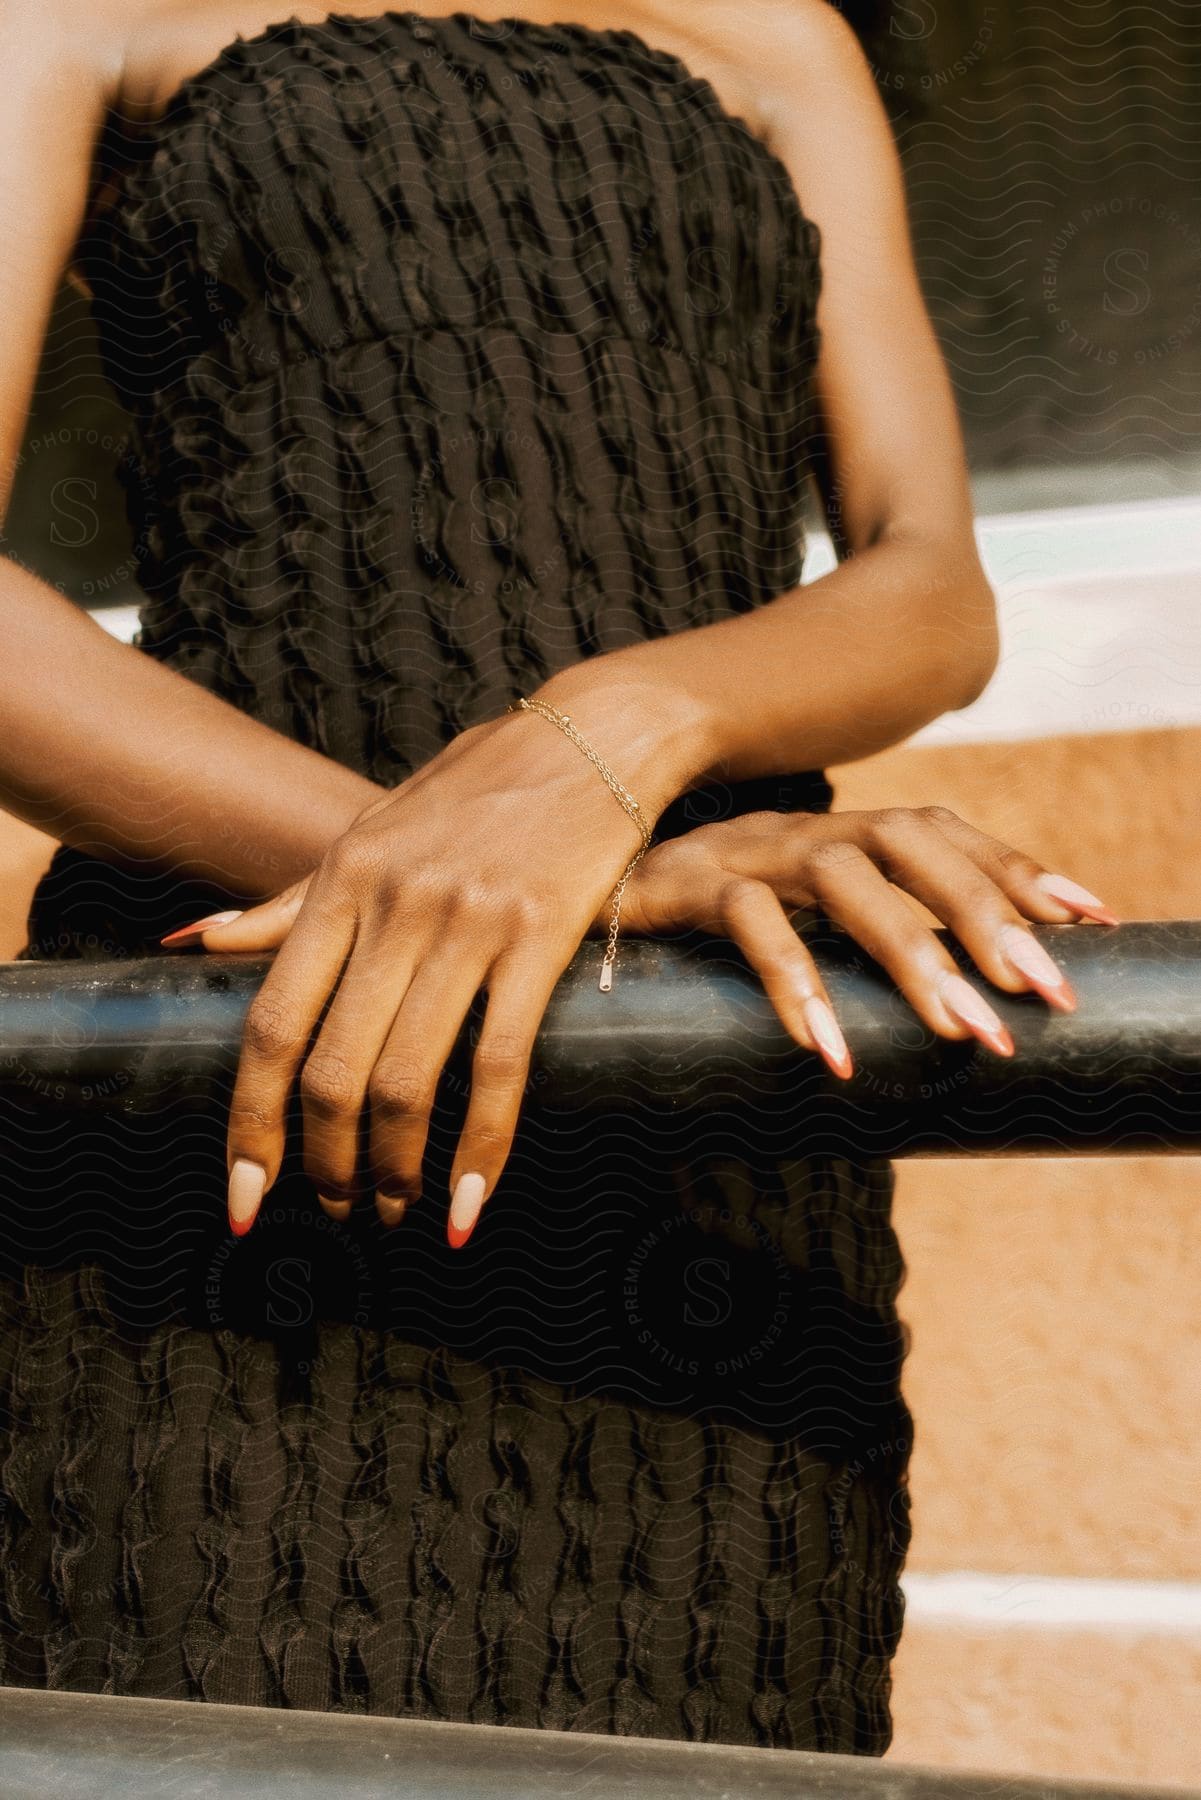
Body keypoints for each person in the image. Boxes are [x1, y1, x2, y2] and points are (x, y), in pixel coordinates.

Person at [0, 0, 1113, 1751]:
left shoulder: (775, 34)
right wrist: (524, 874)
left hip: (694, 1155)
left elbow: (929, 587)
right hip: (253, 1105)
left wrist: (604, 731)